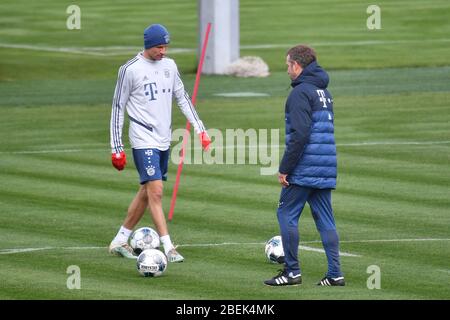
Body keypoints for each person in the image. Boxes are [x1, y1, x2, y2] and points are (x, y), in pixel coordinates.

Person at [108, 24, 211, 262]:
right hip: (143, 138)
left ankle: (119, 240)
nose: (163, 51)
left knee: (146, 191)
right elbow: (117, 108)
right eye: (159, 47)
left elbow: (182, 98)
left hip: (164, 139)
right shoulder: (129, 70)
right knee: (156, 191)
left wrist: (200, 129)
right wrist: (117, 148)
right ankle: (169, 247)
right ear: (148, 46)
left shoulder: (170, 66)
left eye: (165, 46)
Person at [264, 45, 344, 286]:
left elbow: (300, 134)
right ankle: (335, 274)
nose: (287, 70)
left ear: (297, 66)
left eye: (288, 65)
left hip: (304, 166)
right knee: (325, 220)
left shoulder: (300, 93)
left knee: (286, 213)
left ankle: (292, 272)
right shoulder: (324, 92)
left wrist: (285, 167)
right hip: (326, 165)